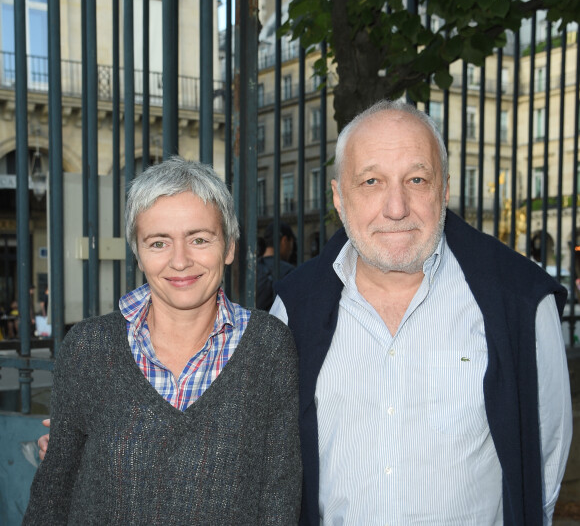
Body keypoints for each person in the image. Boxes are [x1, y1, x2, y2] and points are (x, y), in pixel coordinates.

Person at [271, 99, 573, 525]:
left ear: (444, 189)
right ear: (339, 196)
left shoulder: (521, 302)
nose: (396, 208)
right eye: (371, 181)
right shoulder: (293, 307)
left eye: (416, 179)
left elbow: (544, 459)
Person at [25, 156, 301, 524]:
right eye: (158, 243)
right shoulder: (88, 348)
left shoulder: (269, 347)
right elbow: (53, 495)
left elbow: (279, 499)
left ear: (230, 247)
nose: (180, 261)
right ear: (138, 253)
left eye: (199, 239)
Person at [256, 221, 296, 310]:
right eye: (291, 243)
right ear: (284, 241)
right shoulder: (290, 272)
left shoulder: (253, 269)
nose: (291, 249)